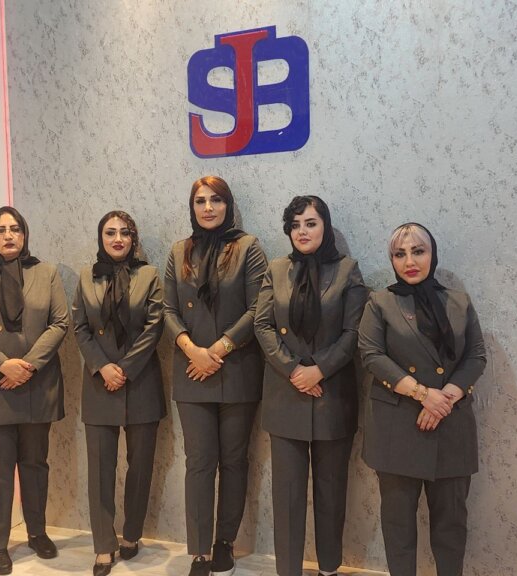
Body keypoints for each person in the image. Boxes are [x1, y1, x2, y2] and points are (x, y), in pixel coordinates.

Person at [359, 223, 486, 576]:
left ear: (433, 254)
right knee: (398, 526)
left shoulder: (459, 302)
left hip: (451, 424)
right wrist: (423, 394)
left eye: (418, 251)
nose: (409, 261)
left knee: (451, 526)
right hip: (397, 426)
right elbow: (371, 355)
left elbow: (476, 355)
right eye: (399, 254)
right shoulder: (379, 302)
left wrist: (444, 400)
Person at [254, 196, 368, 576]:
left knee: (331, 492)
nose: (302, 231)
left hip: (332, 395)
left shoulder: (348, 270)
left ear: (325, 227)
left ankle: (329, 569)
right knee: (287, 494)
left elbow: (354, 332)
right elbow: (263, 325)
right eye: (295, 225)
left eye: (311, 223)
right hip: (285, 394)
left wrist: (319, 370)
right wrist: (293, 370)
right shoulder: (276, 269)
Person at [163, 176, 268, 576]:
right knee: (199, 462)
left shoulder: (248, 247)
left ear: (229, 205)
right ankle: (199, 551)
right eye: (200, 201)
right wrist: (193, 350)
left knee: (235, 460)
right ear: (192, 207)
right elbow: (168, 309)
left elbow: (259, 307)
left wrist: (220, 348)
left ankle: (225, 541)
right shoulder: (179, 250)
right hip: (191, 371)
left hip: (237, 369)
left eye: (216, 200)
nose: (208, 208)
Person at [0, 206, 69, 575]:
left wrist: (28, 366)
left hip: (38, 385)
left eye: (15, 229)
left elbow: (60, 323)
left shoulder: (46, 273)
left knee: (35, 465)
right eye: (1, 230)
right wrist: (3, 365)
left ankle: (37, 533)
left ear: (25, 235)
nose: (9, 236)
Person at [72, 211, 166, 576]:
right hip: (99, 383)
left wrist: (124, 368)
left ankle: (131, 535)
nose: (117, 239)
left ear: (133, 239)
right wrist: (102, 367)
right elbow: (80, 327)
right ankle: (102, 546)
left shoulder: (150, 275)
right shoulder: (86, 276)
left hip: (141, 382)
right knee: (100, 470)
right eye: (110, 232)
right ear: (101, 237)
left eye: (125, 233)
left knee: (140, 467)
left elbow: (155, 326)